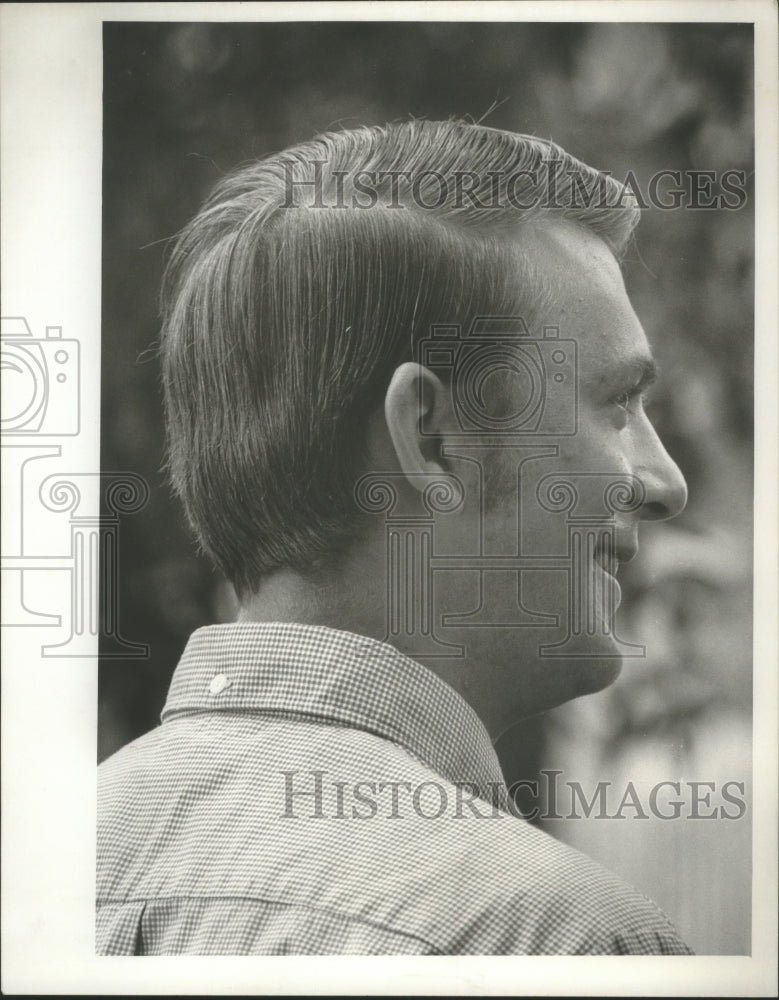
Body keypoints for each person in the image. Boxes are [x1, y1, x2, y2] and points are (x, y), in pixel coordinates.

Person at [97, 120, 692, 955]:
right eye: (616, 404)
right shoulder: (556, 938)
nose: (665, 483)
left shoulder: (42, 869)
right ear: (431, 437)